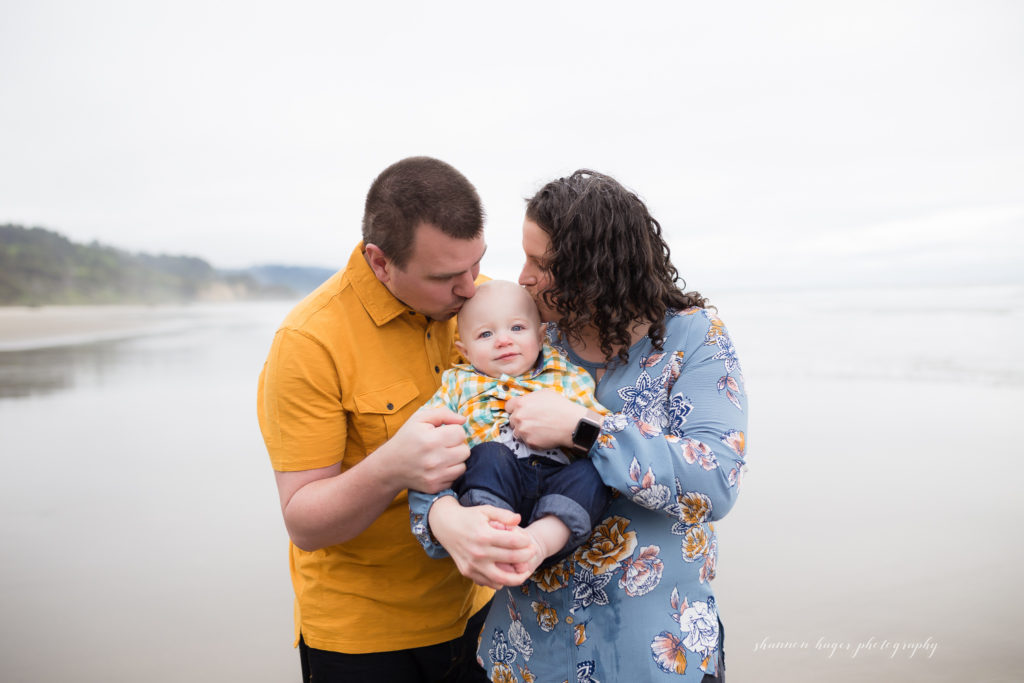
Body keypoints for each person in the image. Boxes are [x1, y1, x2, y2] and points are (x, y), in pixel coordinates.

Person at [411, 170, 748, 682]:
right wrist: (444, 521)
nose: (522, 276)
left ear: (595, 270)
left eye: (540, 264)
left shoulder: (694, 339)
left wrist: (585, 428)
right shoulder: (530, 339)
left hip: (653, 653)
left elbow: (716, 483)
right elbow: (453, 444)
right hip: (527, 654)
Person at [256, 156, 535, 683]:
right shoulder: (308, 342)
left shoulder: (490, 303)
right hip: (364, 640)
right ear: (381, 262)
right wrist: (391, 468)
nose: (471, 289)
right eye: (446, 277)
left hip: (485, 611)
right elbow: (303, 522)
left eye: (476, 263)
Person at [413, 279, 610, 576]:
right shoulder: (458, 383)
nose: (503, 340)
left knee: (590, 474)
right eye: (485, 334)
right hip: (497, 486)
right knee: (489, 455)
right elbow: (425, 429)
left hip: (556, 478)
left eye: (517, 328)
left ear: (541, 336)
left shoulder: (566, 375)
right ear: (464, 351)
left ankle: (538, 542)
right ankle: (495, 536)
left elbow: (602, 429)